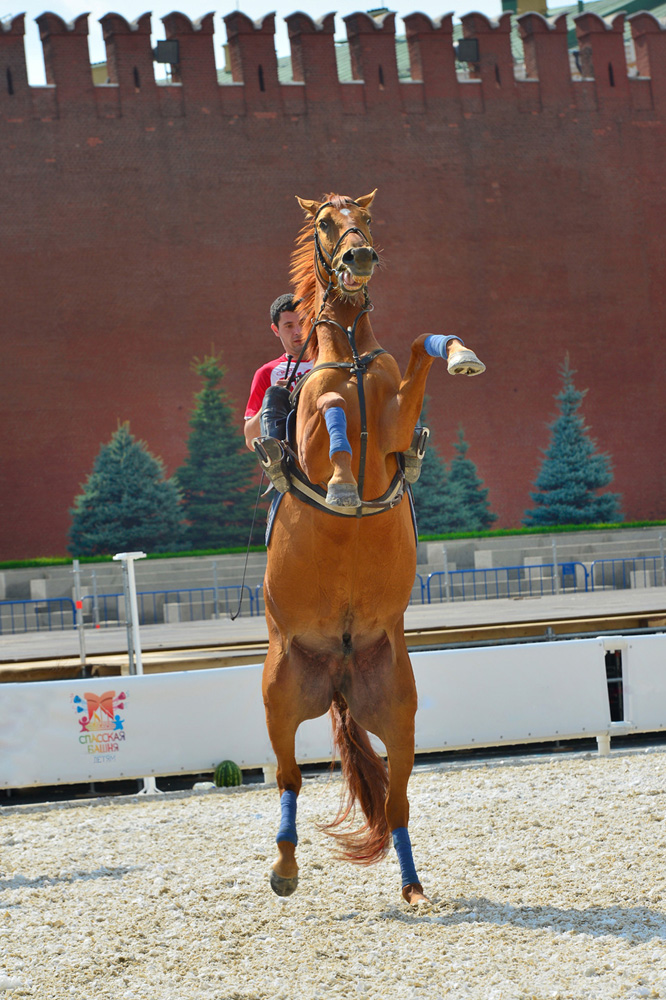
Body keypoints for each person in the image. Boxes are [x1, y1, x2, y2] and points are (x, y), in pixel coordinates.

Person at [243, 293, 314, 451]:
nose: (297, 331)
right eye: (289, 326)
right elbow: (250, 439)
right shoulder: (267, 373)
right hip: (292, 461)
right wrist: (271, 399)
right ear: (276, 330)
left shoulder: (330, 362)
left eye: (303, 322)